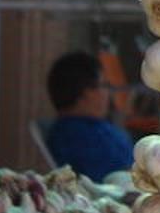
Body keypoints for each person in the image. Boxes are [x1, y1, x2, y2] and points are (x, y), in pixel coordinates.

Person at [44, 51, 135, 181]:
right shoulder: (76, 137)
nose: (108, 93)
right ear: (86, 93)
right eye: (104, 85)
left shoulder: (92, 128)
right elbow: (113, 178)